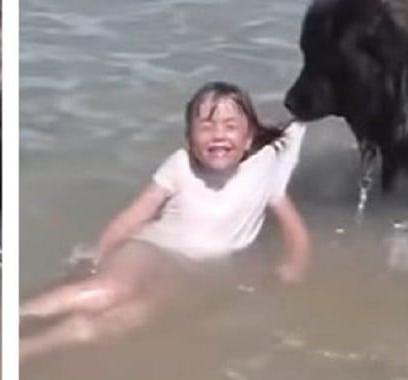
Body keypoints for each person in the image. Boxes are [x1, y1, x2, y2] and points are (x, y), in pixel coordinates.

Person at [21, 82, 311, 361]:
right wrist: (100, 253)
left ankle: (29, 349)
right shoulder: (180, 166)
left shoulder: (262, 177)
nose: (218, 135)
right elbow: (135, 215)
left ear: (248, 140)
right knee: (111, 289)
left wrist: (294, 266)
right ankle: (17, 317)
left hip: (189, 272)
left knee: (134, 315)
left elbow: (295, 229)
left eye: (230, 126)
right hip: (151, 248)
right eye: (206, 126)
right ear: (189, 137)